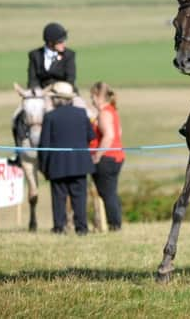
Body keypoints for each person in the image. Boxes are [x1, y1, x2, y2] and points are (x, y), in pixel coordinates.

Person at [11, 22, 78, 166]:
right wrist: (38, 92)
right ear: (50, 42)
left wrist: (54, 92)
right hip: (40, 95)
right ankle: (19, 153)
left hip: (64, 94)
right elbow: (32, 79)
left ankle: (84, 149)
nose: (63, 44)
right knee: (17, 115)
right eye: (60, 41)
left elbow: (70, 80)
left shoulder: (69, 55)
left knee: (85, 112)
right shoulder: (35, 55)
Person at [38, 81, 96, 235]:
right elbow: (91, 136)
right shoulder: (82, 113)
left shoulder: (50, 117)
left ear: (57, 99)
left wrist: (43, 167)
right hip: (80, 164)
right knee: (80, 199)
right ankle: (82, 229)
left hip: (57, 166)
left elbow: (44, 146)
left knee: (58, 199)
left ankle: (59, 228)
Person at [89, 82, 125, 231]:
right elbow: (120, 132)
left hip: (107, 158)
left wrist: (97, 155)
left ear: (97, 96)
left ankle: (114, 224)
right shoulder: (112, 111)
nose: (91, 100)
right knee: (110, 192)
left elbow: (109, 136)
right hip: (116, 156)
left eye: (92, 96)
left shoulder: (104, 113)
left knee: (107, 193)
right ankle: (114, 222)